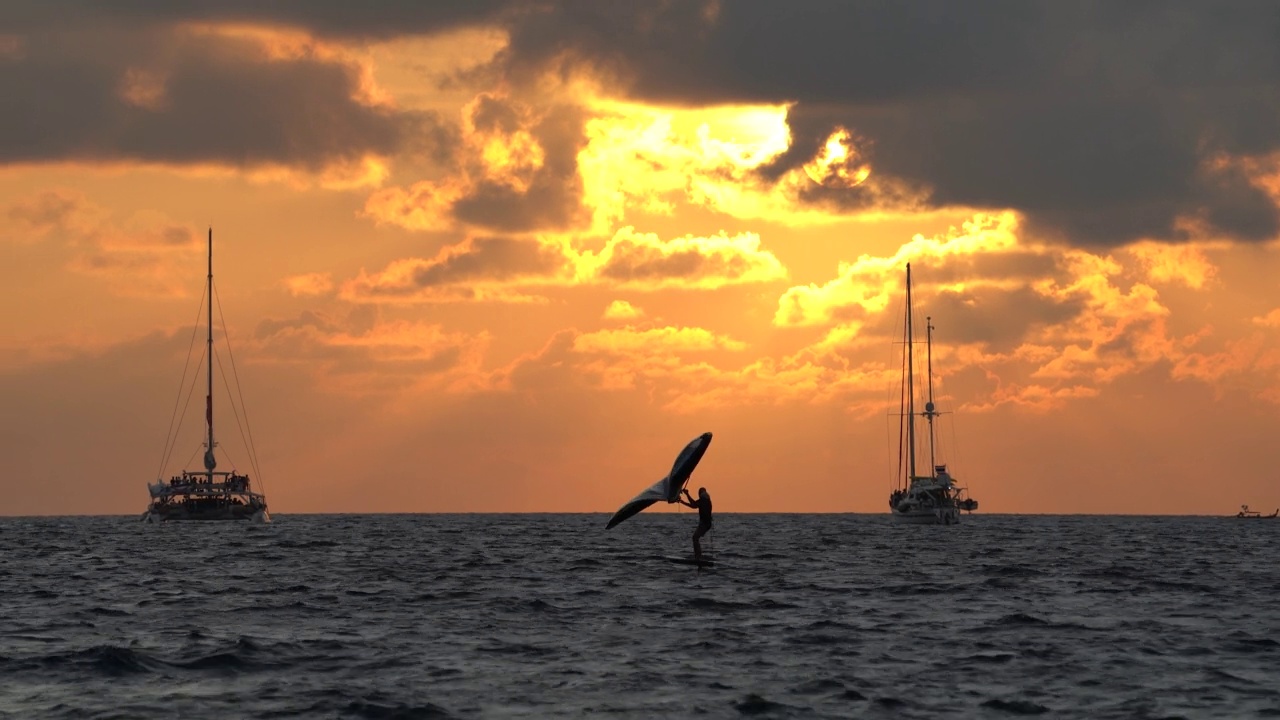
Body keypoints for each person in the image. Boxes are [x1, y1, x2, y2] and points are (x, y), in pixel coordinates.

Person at [678, 487, 713, 561]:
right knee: (695, 538)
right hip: (707, 524)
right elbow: (693, 505)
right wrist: (682, 501)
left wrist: (687, 494)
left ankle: (698, 557)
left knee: (695, 538)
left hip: (704, 524)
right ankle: (698, 556)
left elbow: (693, 504)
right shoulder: (707, 500)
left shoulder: (703, 500)